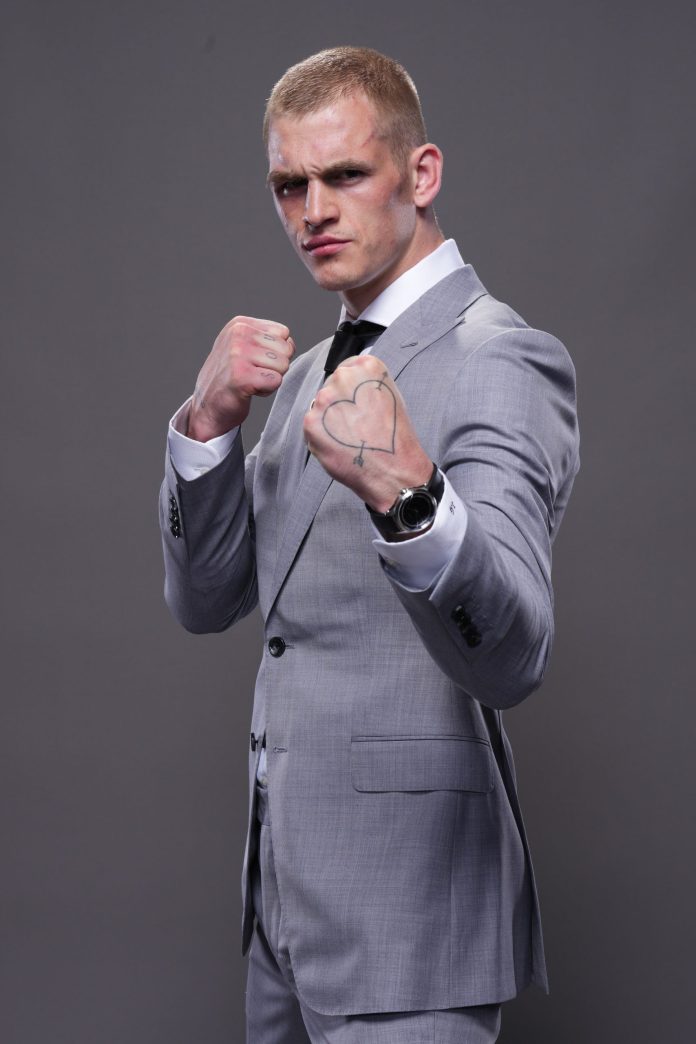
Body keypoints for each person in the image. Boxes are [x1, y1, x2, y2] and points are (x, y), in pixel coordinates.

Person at [159, 45, 580, 1044]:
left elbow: (514, 656)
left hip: (412, 919)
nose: (314, 210)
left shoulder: (503, 357)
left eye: (345, 174)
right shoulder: (307, 375)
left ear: (420, 174)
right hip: (283, 910)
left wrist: (412, 497)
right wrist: (206, 427)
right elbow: (210, 601)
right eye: (289, 185)